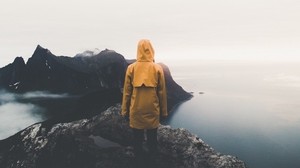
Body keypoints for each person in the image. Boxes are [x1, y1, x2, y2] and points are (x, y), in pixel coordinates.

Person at [121, 39, 168, 158]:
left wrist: (125, 111)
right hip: (152, 110)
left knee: (137, 140)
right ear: (151, 50)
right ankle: (152, 162)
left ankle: (139, 162)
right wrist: (164, 112)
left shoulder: (131, 68)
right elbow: (162, 92)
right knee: (152, 140)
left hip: (136, 110)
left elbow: (127, 92)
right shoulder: (157, 68)